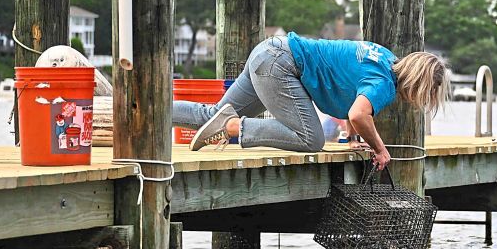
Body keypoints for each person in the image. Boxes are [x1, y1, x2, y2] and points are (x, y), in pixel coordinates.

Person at [174, 34, 448, 171]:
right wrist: (380, 148)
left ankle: (141, 114)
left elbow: (347, 81)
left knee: (211, 116)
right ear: (419, 84)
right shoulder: (385, 86)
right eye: (426, 95)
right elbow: (358, 114)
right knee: (311, 139)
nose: (419, 102)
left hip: (270, 51)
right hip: (282, 65)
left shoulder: (384, 58)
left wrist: (355, 138)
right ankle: (233, 127)